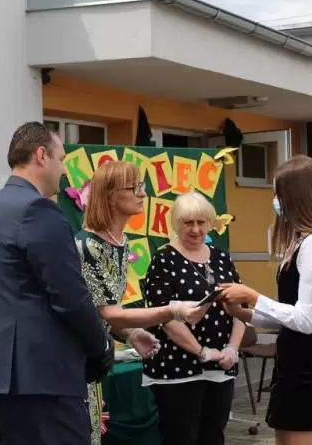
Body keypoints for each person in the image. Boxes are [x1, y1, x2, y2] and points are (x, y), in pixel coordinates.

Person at [0, 122, 114, 445]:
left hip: (9, 373)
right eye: (61, 159)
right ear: (41, 155)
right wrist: (101, 347)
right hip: (44, 375)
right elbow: (70, 296)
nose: (64, 170)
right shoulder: (37, 210)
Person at [74, 162, 210, 445]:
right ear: (111, 195)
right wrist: (173, 310)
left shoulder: (120, 241)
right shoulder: (88, 245)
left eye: (142, 186)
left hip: (94, 359)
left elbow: (105, 311)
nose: (143, 194)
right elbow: (109, 312)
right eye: (134, 187)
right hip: (74, 361)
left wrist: (132, 333)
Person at [219, 154, 312, 445]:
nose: (275, 201)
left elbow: (306, 321)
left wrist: (253, 296)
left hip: (309, 369)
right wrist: (244, 313)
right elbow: (289, 316)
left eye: (278, 193)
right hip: (292, 363)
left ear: (296, 196)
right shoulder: (301, 242)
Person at [141, 191, 246, 445]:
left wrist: (232, 349)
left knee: (213, 436)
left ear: (210, 223)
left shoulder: (222, 257)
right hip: (178, 369)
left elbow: (241, 307)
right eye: (188, 222)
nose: (196, 229)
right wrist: (202, 352)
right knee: (181, 438)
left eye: (201, 222)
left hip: (221, 365)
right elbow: (165, 318)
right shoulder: (163, 260)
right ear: (176, 224)